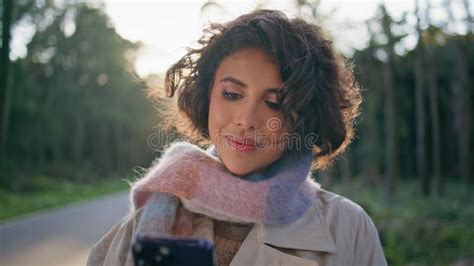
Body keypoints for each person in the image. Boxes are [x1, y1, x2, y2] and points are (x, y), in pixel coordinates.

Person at [87, 9, 387, 266]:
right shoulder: (146, 223)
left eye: (274, 103)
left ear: (304, 117)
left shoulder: (347, 227)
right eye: (231, 94)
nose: (245, 119)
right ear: (207, 97)